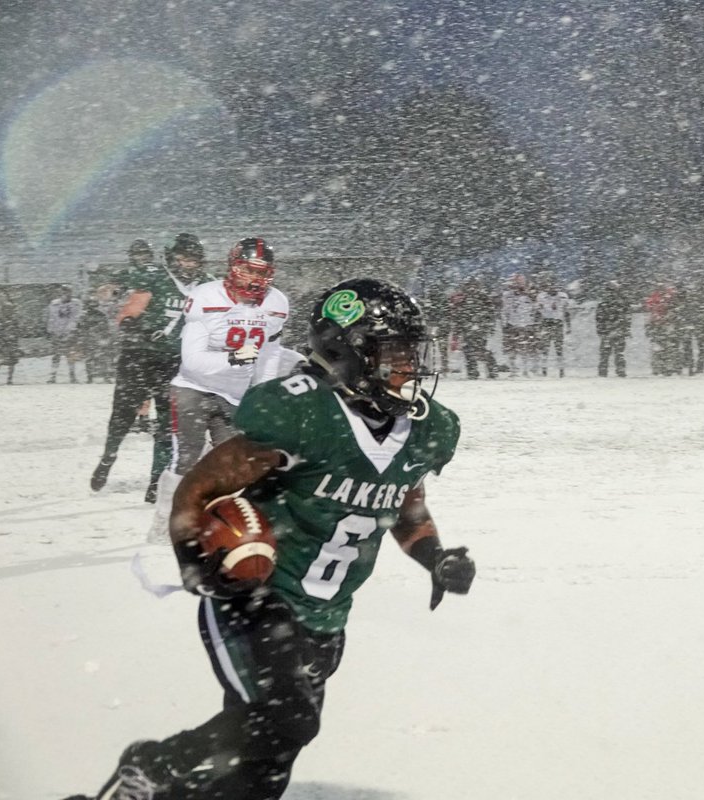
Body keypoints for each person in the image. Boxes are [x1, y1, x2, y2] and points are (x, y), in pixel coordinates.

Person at [63, 278, 475, 800]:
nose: (407, 366)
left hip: (326, 614)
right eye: (390, 351)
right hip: (257, 596)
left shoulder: (424, 429)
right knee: (287, 721)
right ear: (343, 350)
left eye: (410, 353)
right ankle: (156, 765)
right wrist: (195, 563)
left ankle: (153, 782)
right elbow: (198, 488)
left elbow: (406, 507)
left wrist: (435, 557)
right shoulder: (302, 411)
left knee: (264, 770)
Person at [148, 237, 290, 539]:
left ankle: (212, 522)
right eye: (249, 270)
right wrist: (234, 358)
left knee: (233, 468)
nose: (255, 278)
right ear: (233, 267)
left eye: (262, 272)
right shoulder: (206, 296)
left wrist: (262, 395)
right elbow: (193, 361)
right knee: (186, 457)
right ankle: (162, 525)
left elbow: (268, 354)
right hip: (193, 388)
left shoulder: (276, 303)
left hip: (234, 395)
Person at [90, 234, 213, 501]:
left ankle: (156, 482)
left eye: (194, 260)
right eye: (183, 259)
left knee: (169, 426)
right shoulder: (154, 276)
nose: (189, 265)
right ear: (171, 259)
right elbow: (125, 296)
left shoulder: (209, 285)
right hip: (139, 357)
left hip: (176, 362)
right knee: (122, 416)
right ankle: (109, 457)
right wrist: (131, 323)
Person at [452, 275, 500, 379]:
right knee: (469, 350)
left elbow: (490, 313)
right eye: (469, 285)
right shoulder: (464, 299)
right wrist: (459, 327)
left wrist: (487, 325)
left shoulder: (483, 298)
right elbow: (460, 314)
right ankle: (473, 371)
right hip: (469, 328)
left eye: (473, 285)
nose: (471, 288)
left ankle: (491, 370)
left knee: (481, 349)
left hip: (479, 328)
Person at [535, 273, 570, 377]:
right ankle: (544, 369)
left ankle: (561, 370)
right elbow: (538, 312)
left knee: (559, 348)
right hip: (546, 322)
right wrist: (537, 325)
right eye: (549, 285)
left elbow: (566, 312)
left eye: (554, 285)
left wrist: (568, 326)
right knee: (545, 348)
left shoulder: (563, 296)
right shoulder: (542, 296)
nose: (552, 288)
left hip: (557, 322)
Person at [45, 284, 83, 383]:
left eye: (68, 291)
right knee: (56, 355)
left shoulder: (76, 303)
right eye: (64, 291)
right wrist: (51, 330)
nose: (66, 294)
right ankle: (53, 376)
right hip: (57, 332)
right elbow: (52, 318)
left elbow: (75, 318)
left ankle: (72, 375)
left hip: (69, 332)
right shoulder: (54, 304)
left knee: (70, 355)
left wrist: (70, 331)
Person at [596, 279, 632, 377]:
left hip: (610, 330)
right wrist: (626, 328)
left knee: (607, 352)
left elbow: (599, 318)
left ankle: (604, 371)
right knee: (618, 352)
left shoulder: (604, 303)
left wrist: (601, 329)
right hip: (616, 329)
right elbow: (627, 317)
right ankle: (619, 370)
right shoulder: (621, 302)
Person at [0, 289, 19, 384]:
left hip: (10, 341)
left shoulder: (13, 320)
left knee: (11, 361)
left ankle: (10, 379)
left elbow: (17, 330)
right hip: (3, 341)